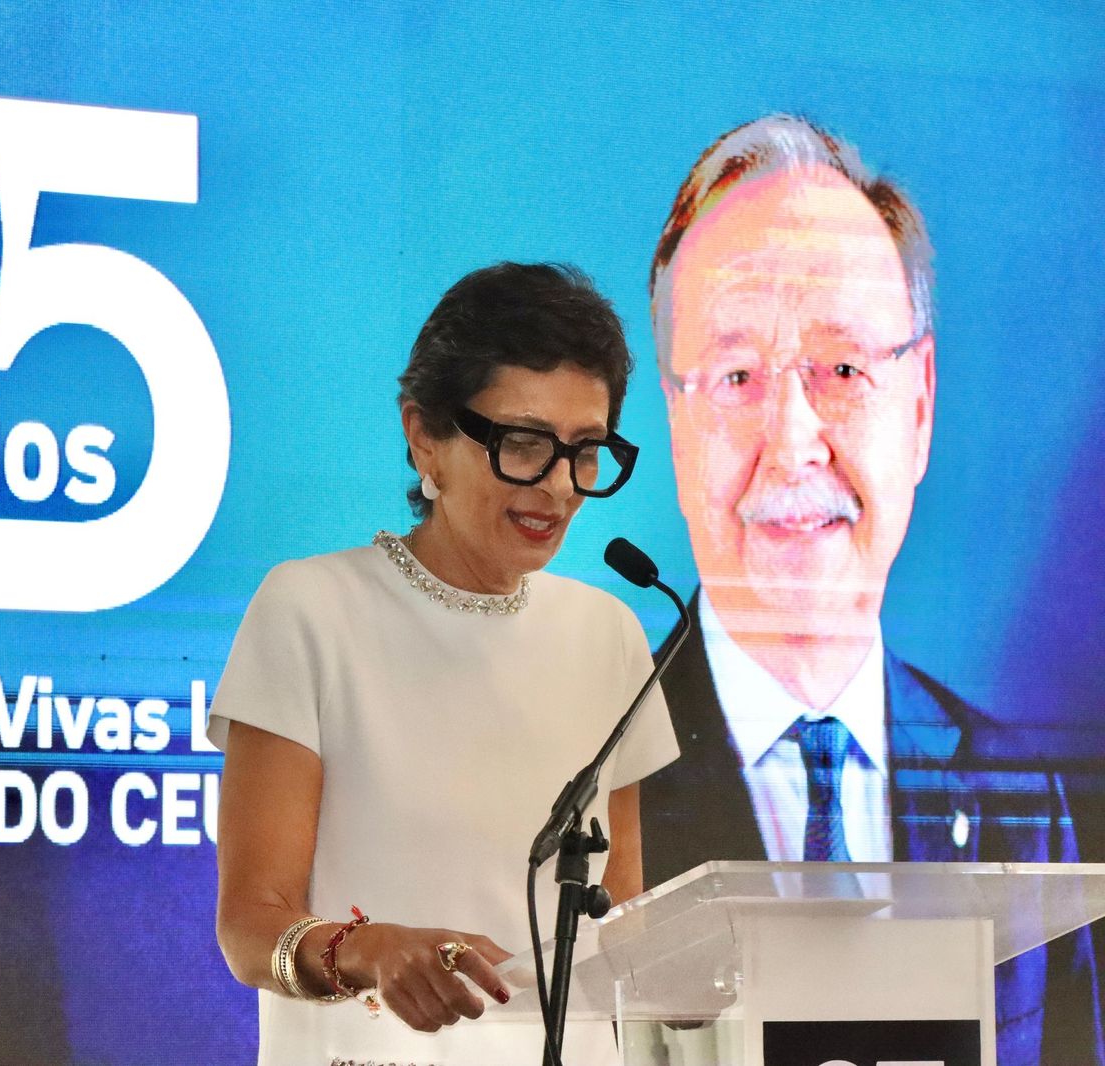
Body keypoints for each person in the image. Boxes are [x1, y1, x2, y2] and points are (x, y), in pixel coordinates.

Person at [638, 114, 1104, 1066]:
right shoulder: (579, 789)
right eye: (736, 375)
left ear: (921, 404)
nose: (795, 438)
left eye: (843, 367)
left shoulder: (1021, 798)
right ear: (676, 427)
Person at [210, 262, 679, 1066]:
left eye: (587, 451)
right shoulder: (310, 610)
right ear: (423, 433)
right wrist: (372, 950)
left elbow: (623, 928)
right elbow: (250, 929)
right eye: (524, 443)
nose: (560, 487)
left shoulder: (611, 634)